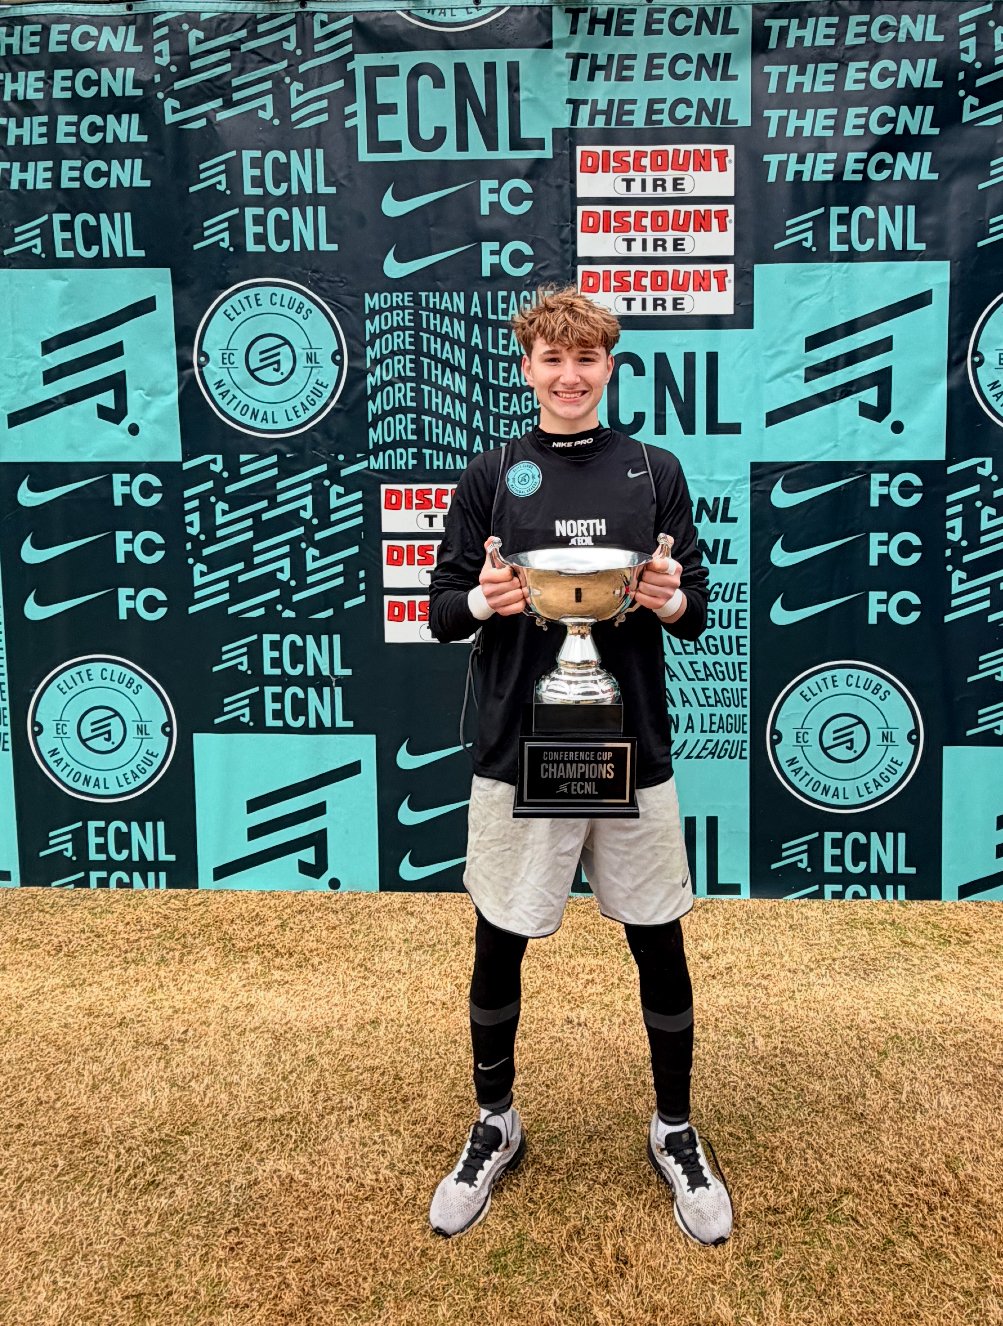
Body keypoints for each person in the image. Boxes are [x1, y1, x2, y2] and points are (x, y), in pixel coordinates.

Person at [426, 285, 731, 1245]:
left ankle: (674, 1128)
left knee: (657, 938)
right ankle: (494, 1122)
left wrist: (668, 595)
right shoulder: (490, 474)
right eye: (552, 360)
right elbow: (440, 611)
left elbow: (696, 611)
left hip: (630, 743)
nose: (569, 376)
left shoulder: (653, 470)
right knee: (498, 937)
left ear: (608, 367)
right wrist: (484, 601)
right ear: (527, 369)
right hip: (517, 746)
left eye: (586, 359)